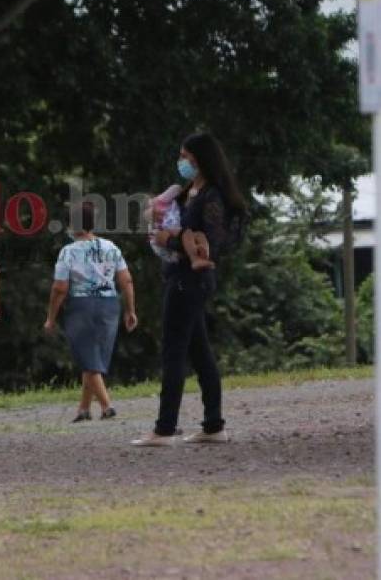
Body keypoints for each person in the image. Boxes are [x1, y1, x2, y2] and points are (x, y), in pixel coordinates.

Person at [132, 132, 247, 447]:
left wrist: (168, 239)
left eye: (186, 156)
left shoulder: (212, 196)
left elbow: (210, 241)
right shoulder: (188, 192)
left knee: (173, 351)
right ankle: (214, 425)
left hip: (190, 280)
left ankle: (164, 429)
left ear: (200, 158)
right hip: (179, 275)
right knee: (200, 352)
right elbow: (163, 218)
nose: (181, 162)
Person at [44, 202, 137, 422]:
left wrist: (50, 317)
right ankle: (83, 409)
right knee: (93, 357)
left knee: (88, 357)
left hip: (81, 306)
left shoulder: (68, 252)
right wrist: (130, 309)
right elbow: (126, 280)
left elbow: (59, 288)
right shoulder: (111, 247)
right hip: (109, 305)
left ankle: (106, 406)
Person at [148, 183, 214, 270]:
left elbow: (176, 189)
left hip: (175, 237)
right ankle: (195, 259)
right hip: (167, 230)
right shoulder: (158, 205)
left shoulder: (170, 203)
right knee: (187, 233)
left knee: (199, 234)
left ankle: (204, 254)